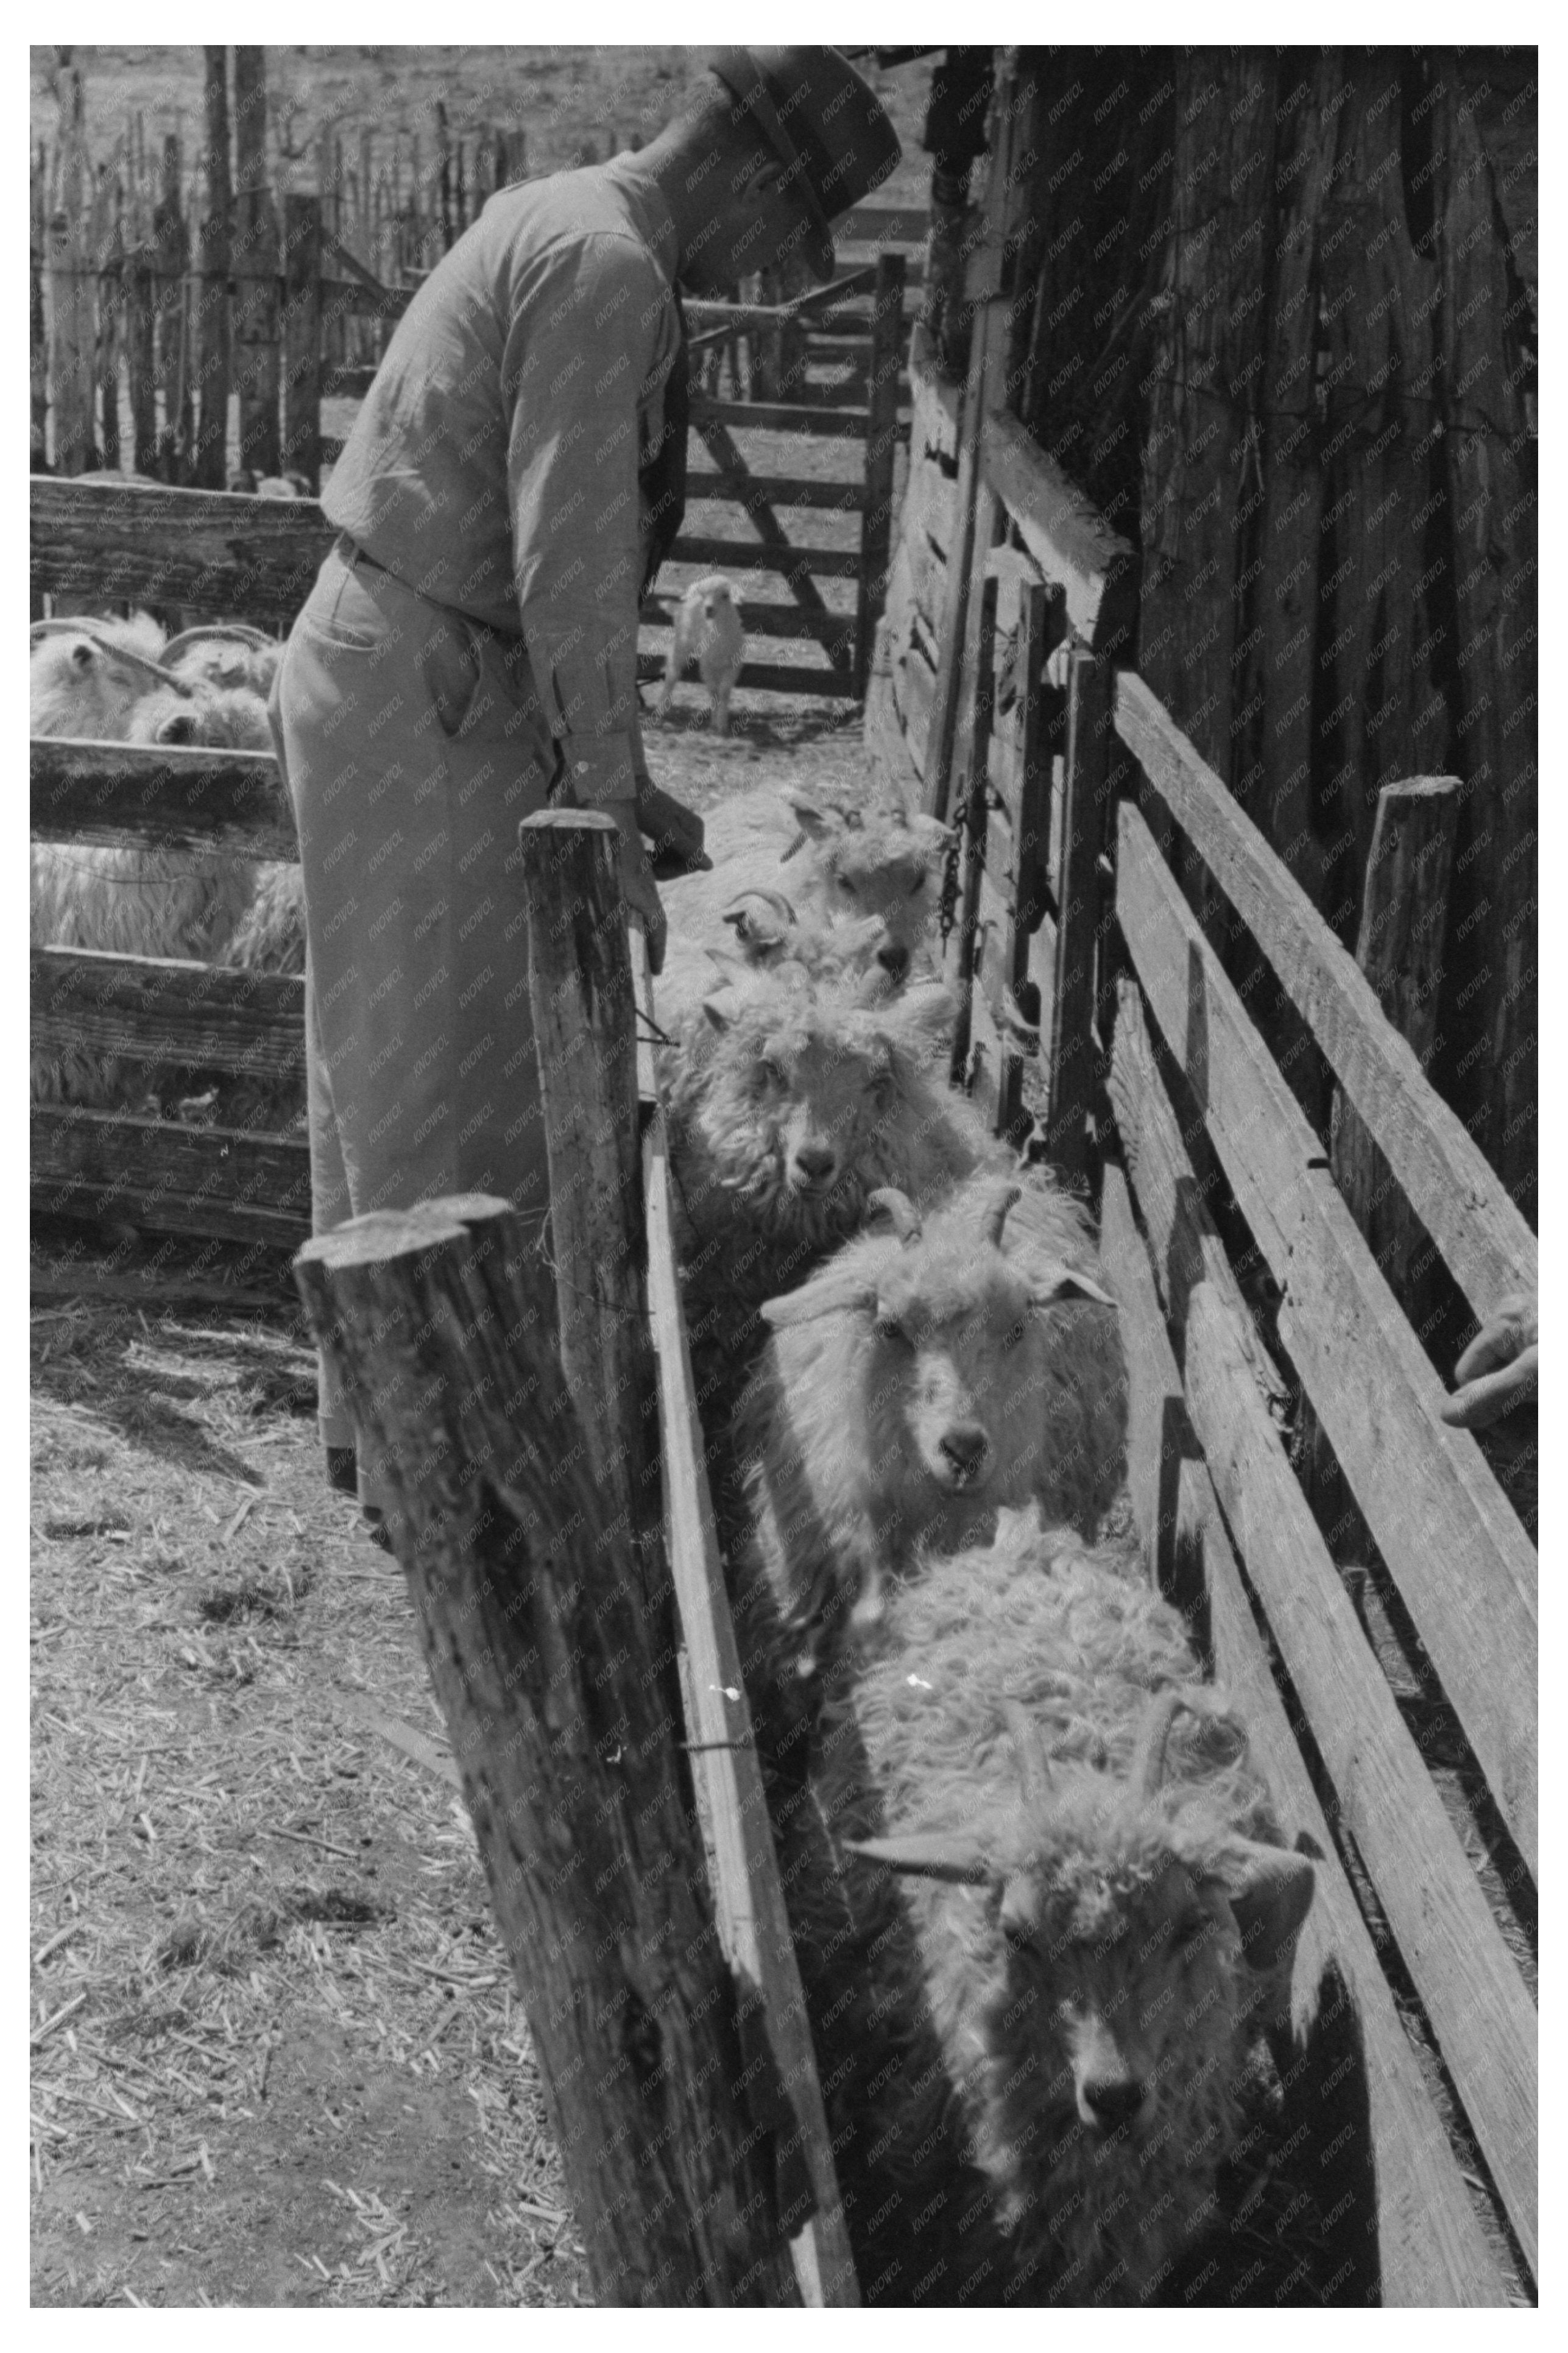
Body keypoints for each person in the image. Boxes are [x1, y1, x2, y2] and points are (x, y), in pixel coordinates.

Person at [268, 49, 901, 1531]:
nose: (771, 271)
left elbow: (548, 559)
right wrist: (603, 807)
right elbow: (573, 567)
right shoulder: (610, 268)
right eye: (787, 234)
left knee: (394, 1060)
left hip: (418, 670)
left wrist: (623, 783)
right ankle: (447, 1473)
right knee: (440, 1082)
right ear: (746, 173)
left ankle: (402, 1440)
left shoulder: (567, 218)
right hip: (426, 689)